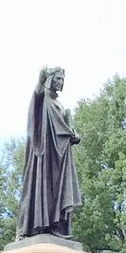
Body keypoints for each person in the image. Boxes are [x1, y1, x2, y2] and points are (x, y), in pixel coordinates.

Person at [18, 66, 82, 239]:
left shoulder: (60, 105)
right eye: (58, 78)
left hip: (60, 155)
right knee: (42, 187)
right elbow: (37, 97)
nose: (61, 82)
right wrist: (40, 81)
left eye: (63, 79)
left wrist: (73, 135)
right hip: (44, 154)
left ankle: (56, 225)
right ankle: (36, 226)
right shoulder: (43, 99)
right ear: (50, 80)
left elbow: (64, 128)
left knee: (58, 190)